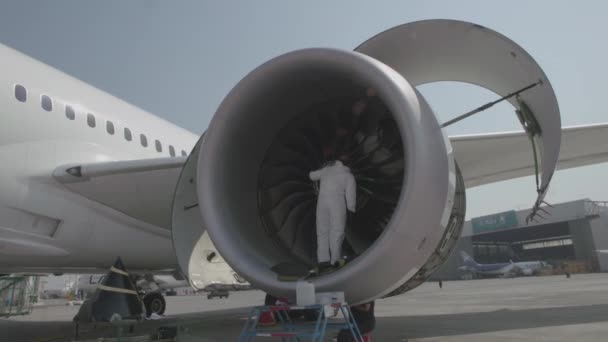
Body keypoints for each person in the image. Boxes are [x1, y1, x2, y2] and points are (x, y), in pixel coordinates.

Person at [309, 158, 356, 271]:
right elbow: (350, 194)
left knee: (322, 232)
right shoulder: (348, 175)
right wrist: (351, 208)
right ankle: (335, 261)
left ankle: (323, 261)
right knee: (337, 232)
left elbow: (312, 176)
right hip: (337, 204)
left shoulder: (326, 171)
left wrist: (323, 167)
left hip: (322, 205)